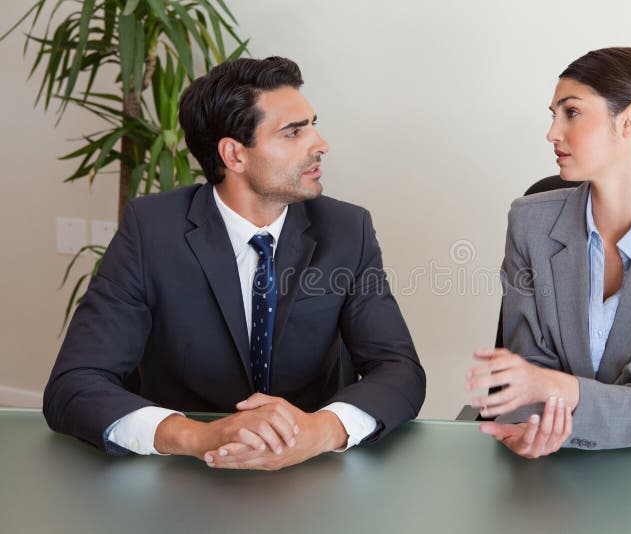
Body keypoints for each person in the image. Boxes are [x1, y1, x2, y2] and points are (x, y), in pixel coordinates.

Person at [44, 57, 426, 470]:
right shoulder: (151, 231)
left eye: (312, 124)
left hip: (313, 471)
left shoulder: (347, 229)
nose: (320, 144)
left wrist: (320, 431)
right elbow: (74, 384)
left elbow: (399, 369)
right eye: (294, 132)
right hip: (182, 472)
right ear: (234, 155)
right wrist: (198, 436)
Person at [465, 47, 631, 458]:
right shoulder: (530, 223)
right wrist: (529, 422)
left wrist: (556, 390)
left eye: (571, 112)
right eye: (553, 115)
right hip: (548, 459)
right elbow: (527, 372)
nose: (552, 132)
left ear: (630, 121)